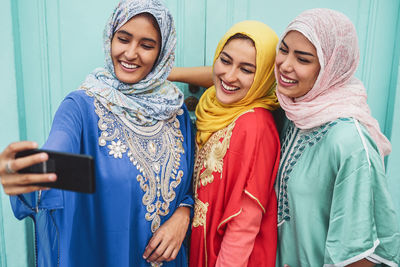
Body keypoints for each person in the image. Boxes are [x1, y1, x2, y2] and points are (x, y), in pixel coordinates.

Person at [0, 0, 194, 266]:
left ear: (162, 53)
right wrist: (22, 173)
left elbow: (189, 187)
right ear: (110, 38)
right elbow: (55, 160)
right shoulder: (80, 107)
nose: (131, 53)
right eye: (123, 39)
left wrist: (183, 214)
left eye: (147, 45)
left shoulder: (176, 111)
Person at [274, 8, 400, 266]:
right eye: (283, 49)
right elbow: (233, 77)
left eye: (303, 59)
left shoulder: (350, 143)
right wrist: (168, 72)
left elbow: (360, 255)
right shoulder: (293, 108)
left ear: (331, 67)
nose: (285, 65)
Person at [184, 21, 281, 267]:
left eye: (247, 70)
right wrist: (163, 72)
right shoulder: (214, 106)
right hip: (202, 245)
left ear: (263, 76)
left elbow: (245, 221)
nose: (229, 76)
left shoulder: (256, 126)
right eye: (225, 61)